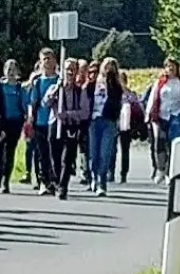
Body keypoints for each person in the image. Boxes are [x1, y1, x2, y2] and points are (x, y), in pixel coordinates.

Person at [47, 59, 90, 200]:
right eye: (67, 69)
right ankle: (57, 180)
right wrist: (54, 92)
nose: (70, 72)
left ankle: (63, 187)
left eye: (73, 69)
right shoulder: (55, 88)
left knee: (68, 157)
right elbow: (45, 102)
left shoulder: (80, 91)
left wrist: (68, 114)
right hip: (55, 125)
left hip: (71, 125)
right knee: (55, 157)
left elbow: (84, 112)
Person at [147, 57, 180, 184]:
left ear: (177, 68)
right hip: (161, 115)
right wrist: (148, 114)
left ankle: (170, 172)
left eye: (173, 66)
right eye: (168, 66)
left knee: (175, 144)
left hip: (176, 114)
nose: (170, 69)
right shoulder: (160, 82)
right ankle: (160, 169)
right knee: (159, 143)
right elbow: (153, 97)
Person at [89, 57, 126, 197]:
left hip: (108, 121)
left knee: (105, 153)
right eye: (106, 66)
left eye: (112, 67)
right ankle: (93, 176)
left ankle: (101, 182)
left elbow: (118, 103)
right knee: (93, 153)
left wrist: (112, 82)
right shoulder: (93, 83)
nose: (108, 69)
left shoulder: (116, 85)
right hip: (93, 120)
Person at [27, 49, 62, 195]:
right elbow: (33, 102)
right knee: (42, 154)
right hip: (41, 122)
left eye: (49, 58)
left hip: (56, 122)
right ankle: (44, 181)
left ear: (54, 60)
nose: (47, 61)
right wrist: (30, 119)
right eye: (44, 59)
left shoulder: (60, 80)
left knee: (56, 153)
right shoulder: (38, 82)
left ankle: (56, 180)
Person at [0, 59, 27, 192]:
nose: (11, 72)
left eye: (13, 69)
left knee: (10, 152)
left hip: (15, 122)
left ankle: (5, 181)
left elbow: (23, 105)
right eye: (9, 69)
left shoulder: (19, 88)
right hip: (1, 122)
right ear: (4, 70)